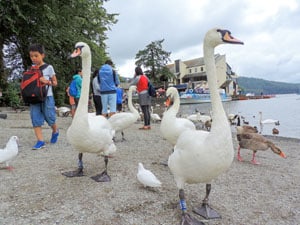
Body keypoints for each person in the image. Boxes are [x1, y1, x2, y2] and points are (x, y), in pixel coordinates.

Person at [28, 43, 59, 149]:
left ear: (42, 55)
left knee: (49, 117)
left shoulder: (49, 68)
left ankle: (55, 130)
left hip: (47, 96)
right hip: (34, 97)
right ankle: (40, 141)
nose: (33, 58)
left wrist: (46, 81)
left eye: (36, 56)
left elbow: (55, 83)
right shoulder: (30, 69)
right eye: (31, 56)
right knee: (35, 118)